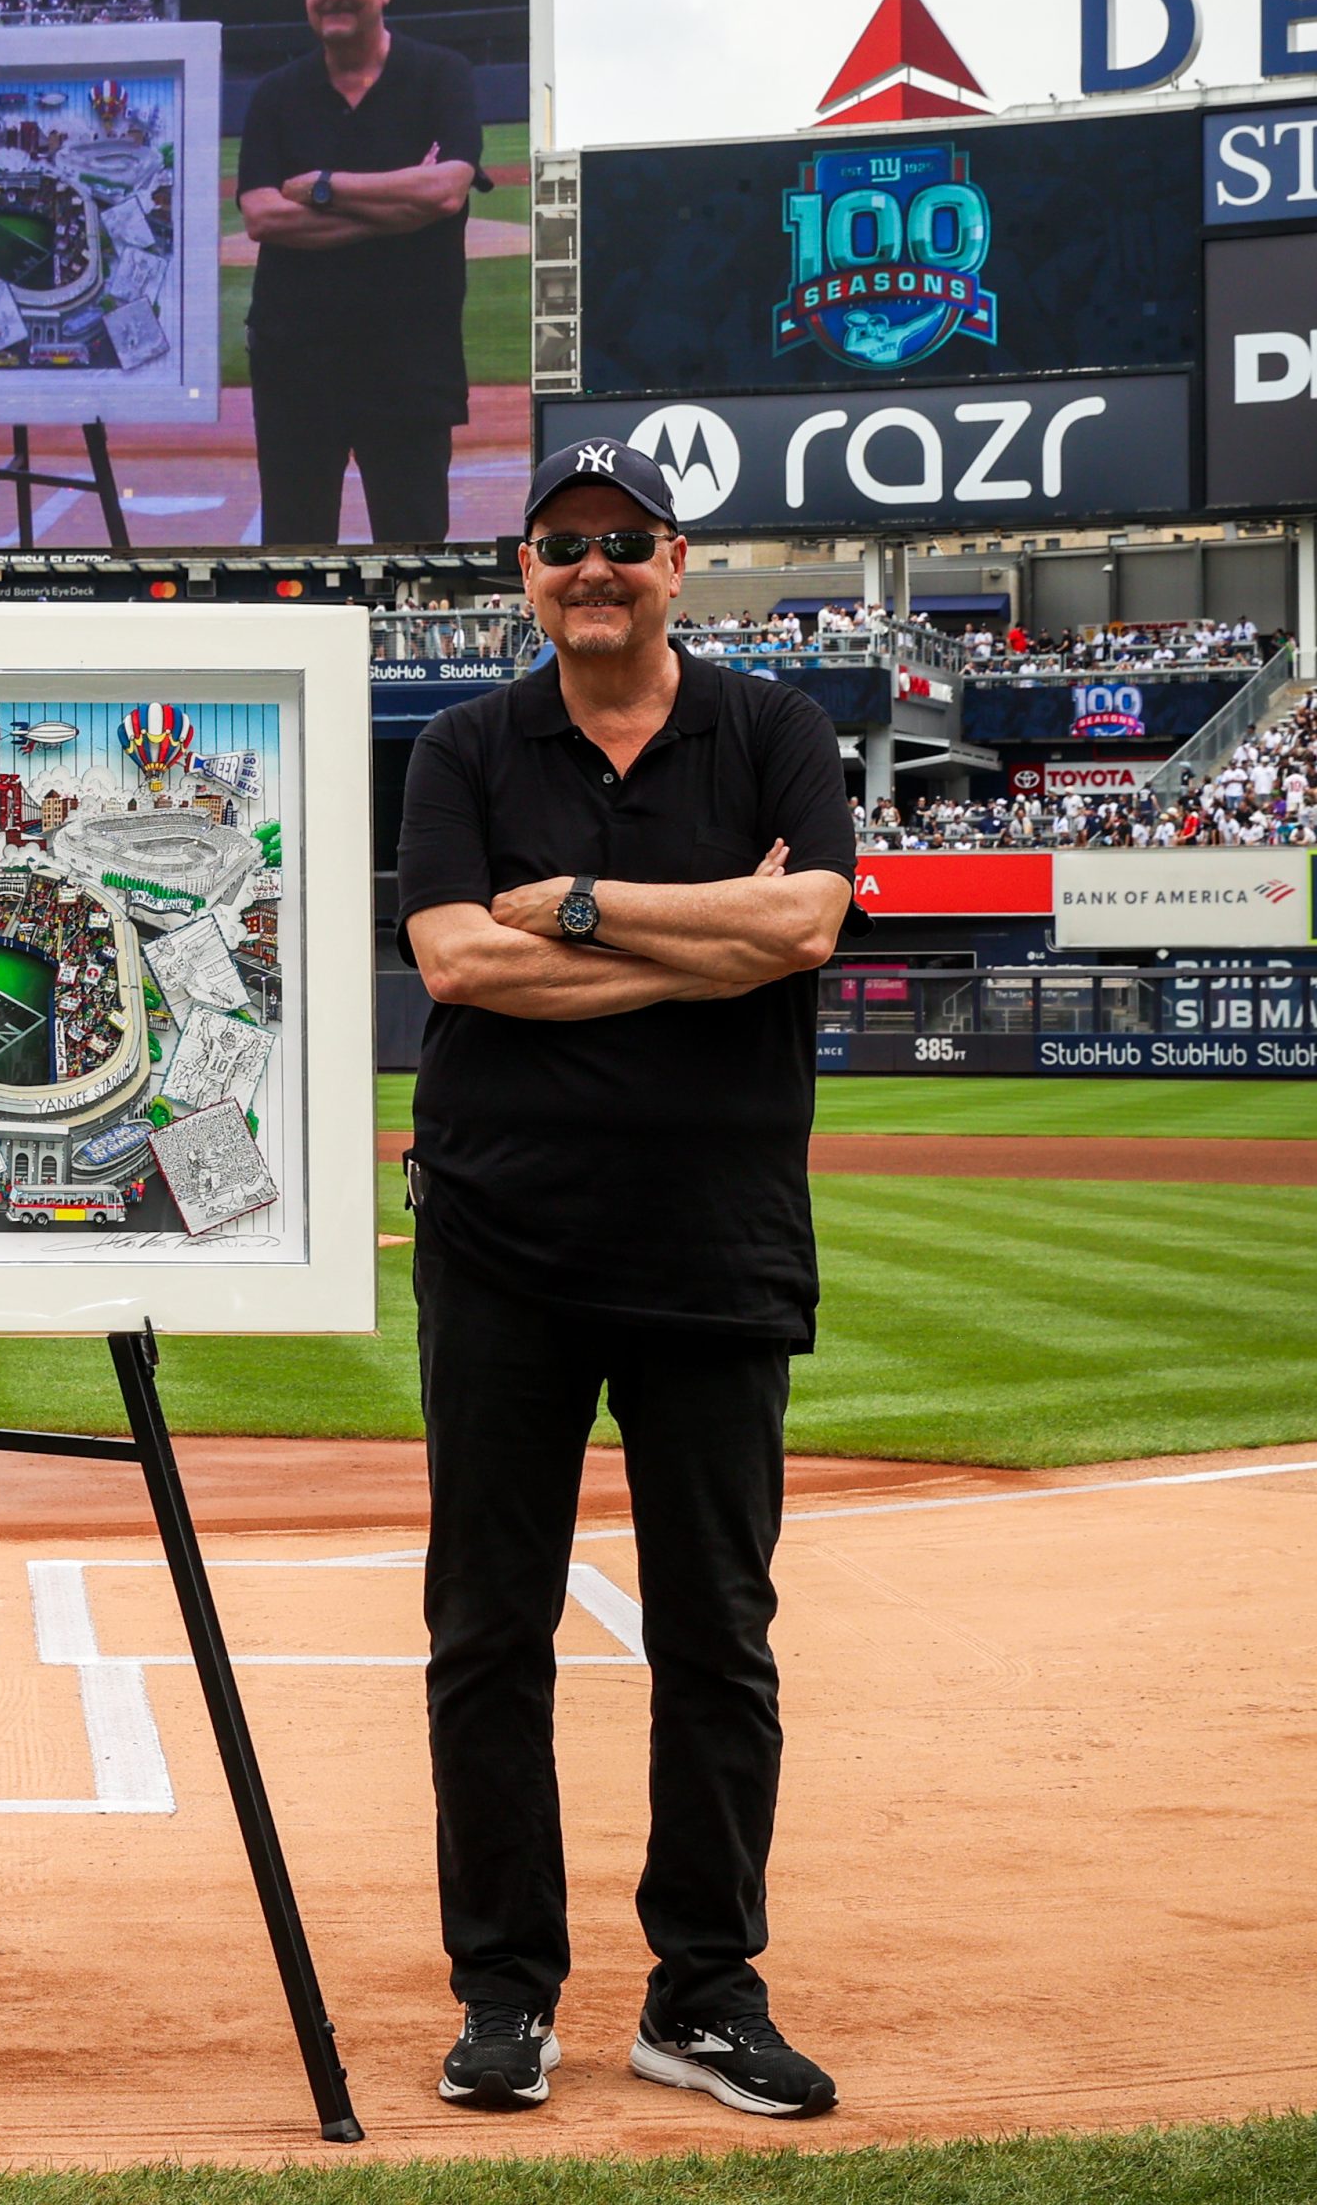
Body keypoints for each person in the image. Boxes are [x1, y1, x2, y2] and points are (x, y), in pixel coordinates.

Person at [395, 436, 857, 2121]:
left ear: (678, 563)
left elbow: (807, 927)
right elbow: (455, 959)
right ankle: (508, 1993)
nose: (593, 566)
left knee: (719, 1634)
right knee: (485, 1632)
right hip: (502, 1245)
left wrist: (582, 912)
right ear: (528, 570)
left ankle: (704, 1994)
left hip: (715, 1251)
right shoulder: (462, 742)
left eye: (625, 540)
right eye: (561, 542)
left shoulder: (773, 731)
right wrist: (701, 939)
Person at [235, 0, 485, 546]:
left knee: (415, 553)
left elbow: (447, 189)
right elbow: (262, 217)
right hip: (294, 361)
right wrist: (402, 209)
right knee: (294, 550)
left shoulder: (440, 75)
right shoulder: (277, 93)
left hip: (412, 358)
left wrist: (324, 186)